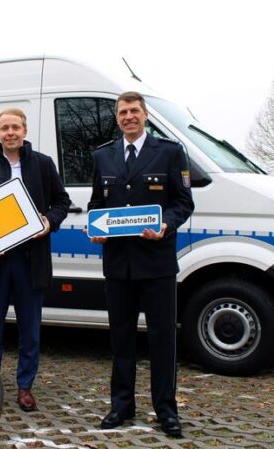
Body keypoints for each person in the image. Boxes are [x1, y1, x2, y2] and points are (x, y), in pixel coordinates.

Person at [87, 92, 194, 437]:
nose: (128, 117)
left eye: (134, 111)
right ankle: (122, 406)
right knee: (121, 340)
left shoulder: (169, 152)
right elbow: (95, 203)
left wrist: (166, 224)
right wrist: (97, 228)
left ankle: (166, 410)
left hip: (157, 264)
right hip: (118, 265)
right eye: (122, 112)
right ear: (117, 118)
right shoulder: (103, 156)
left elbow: (183, 202)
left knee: (163, 339)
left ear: (145, 115)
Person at [0, 108, 70, 413]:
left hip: (30, 260)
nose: (10, 133)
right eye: (4, 128)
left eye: (15, 127)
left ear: (24, 131)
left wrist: (49, 221)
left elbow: (62, 202)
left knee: (30, 331)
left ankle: (25, 388)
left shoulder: (42, 164)